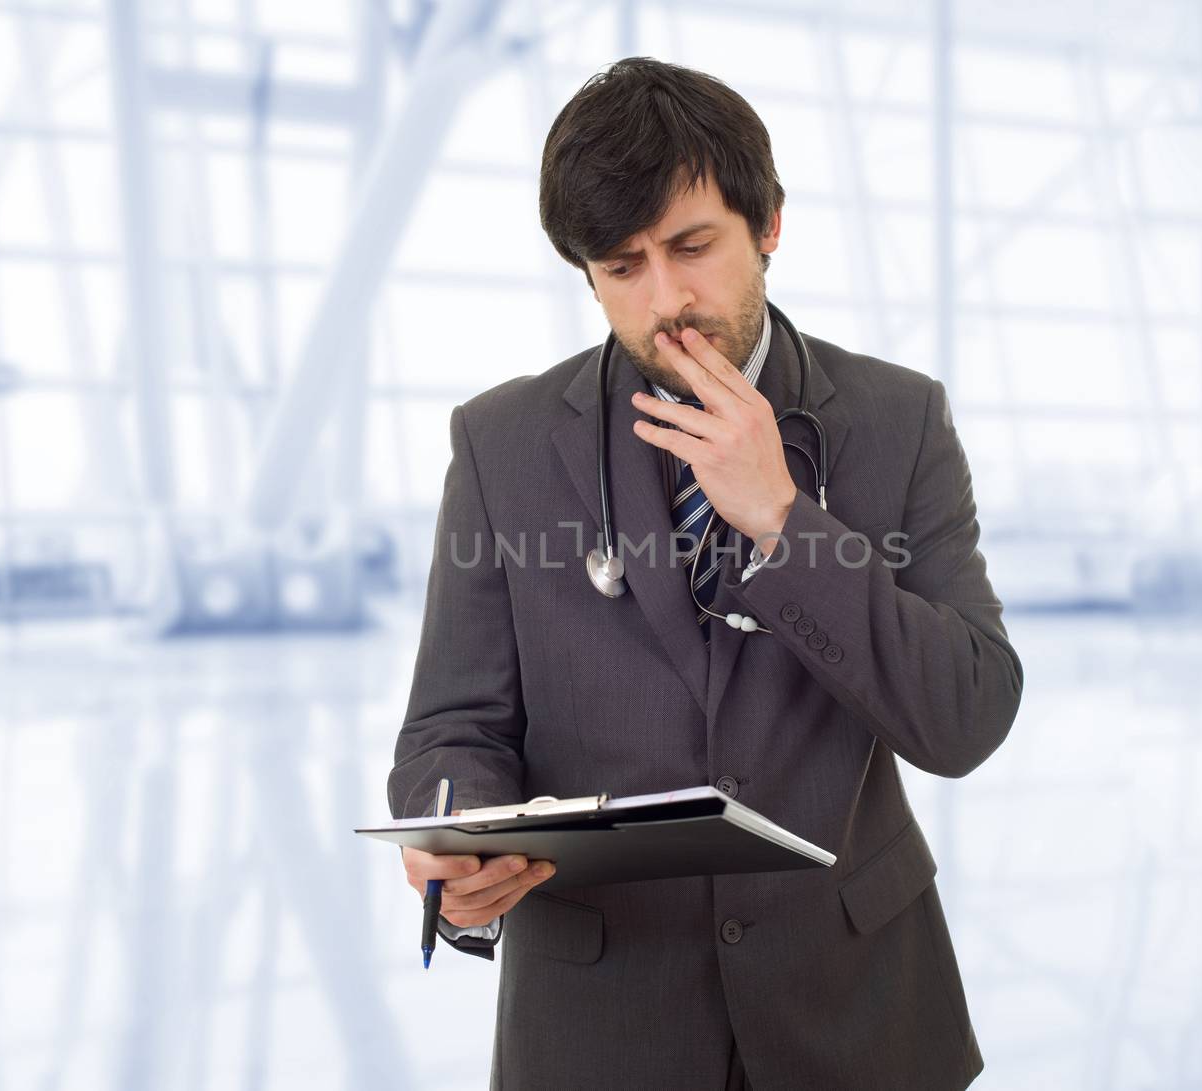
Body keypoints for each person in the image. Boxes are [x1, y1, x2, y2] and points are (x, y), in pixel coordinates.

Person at [387, 56, 1023, 1090]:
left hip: (855, 1014)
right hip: (602, 1023)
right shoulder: (501, 442)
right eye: (621, 267)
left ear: (767, 221)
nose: (666, 299)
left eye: (692, 246)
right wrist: (455, 837)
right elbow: (452, 726)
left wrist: (781, 516)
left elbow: (967, 715)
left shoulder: (897, 422)